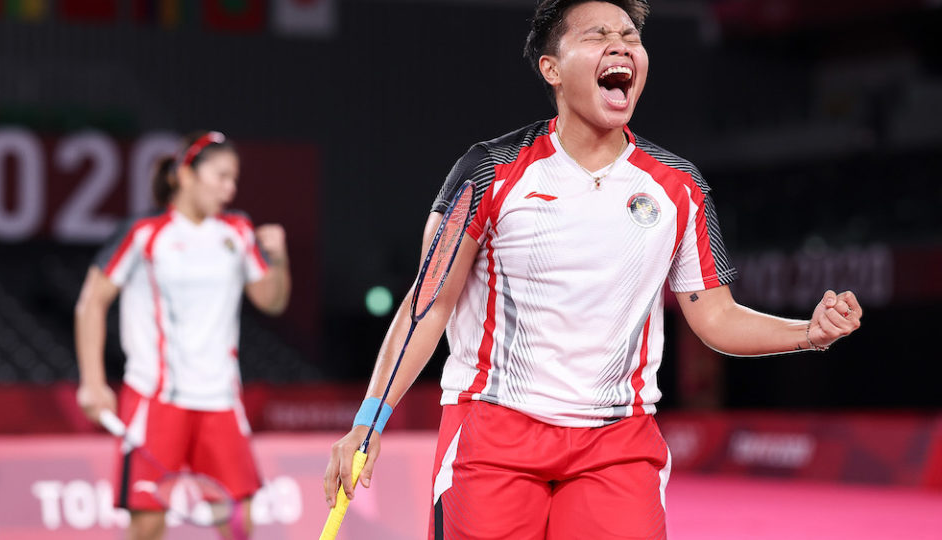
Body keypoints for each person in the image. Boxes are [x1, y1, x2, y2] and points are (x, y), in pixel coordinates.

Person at [324, 1, 863, 538]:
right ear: (552, 69)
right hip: (494, 432)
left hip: (616, 445)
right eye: (597, 34)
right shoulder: (489, 170)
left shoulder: (679, 186)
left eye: (630, 35)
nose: (620, 45)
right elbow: (429, 303)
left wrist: (807, 334)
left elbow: (716, 317)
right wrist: (368, 424)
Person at [74, 131, 291, 540]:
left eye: (235, 179)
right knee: (149, 527)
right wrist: (91, 381)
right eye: (222, 176)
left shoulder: (237, 231)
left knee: (239, 526)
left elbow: (272, 301)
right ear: (186, 175)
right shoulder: (144, 233)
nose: (231, 188)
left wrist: (278, 258)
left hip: (221, 401)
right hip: (155, 399)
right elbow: (91, 302)